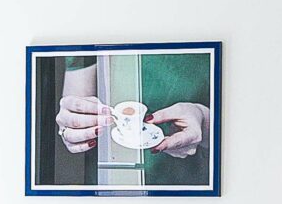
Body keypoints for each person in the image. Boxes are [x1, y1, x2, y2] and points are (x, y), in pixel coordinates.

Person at [51, 55, 214, 188]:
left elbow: (228, 125)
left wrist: (205, 121)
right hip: (110, 185)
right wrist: (72, 127)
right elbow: (76, 108)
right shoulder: (93, 30)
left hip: (188, 187)